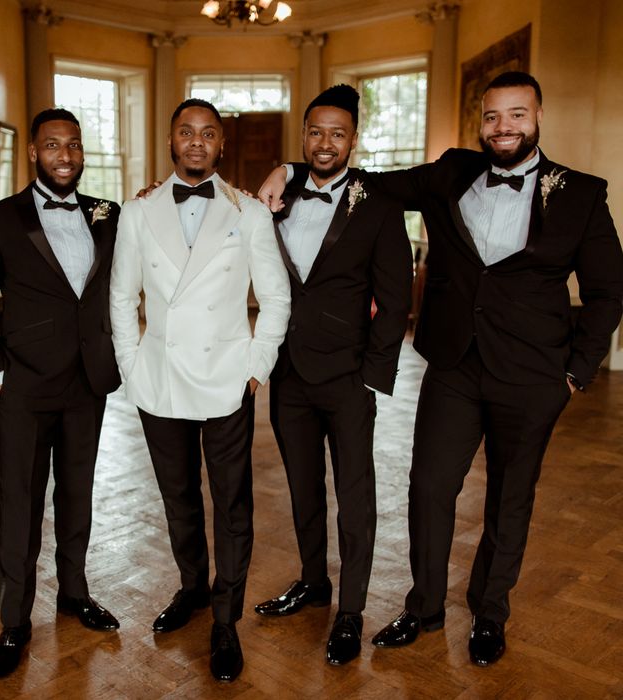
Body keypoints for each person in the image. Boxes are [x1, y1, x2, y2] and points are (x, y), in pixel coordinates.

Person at [258, 71, 623, 666]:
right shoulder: (450, 171)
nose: (503, 128)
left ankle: (489, 612)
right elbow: (360, 183)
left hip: (534, 376)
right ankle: (424, 608)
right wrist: (290, 169)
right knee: (428, 488)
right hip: (453, 366)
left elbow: (608, 291)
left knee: (510, 498)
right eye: (493, 117)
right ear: (481, 121)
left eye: (517, 115)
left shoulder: (581, 193)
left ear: (537, 118)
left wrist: (576, 372)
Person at [109, 98, 290, 682]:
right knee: (179, 497)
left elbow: (276, 296)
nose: (196, 142)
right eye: (185, 132)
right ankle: (191, 587)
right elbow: (121, 298)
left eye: (207, 133)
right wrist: (132, 365)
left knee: (232, 502)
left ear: (220, 145)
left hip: (227, 379)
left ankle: (225, 619)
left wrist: (256, 365)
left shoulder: (250, 213)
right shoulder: (137, 213)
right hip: (159, 377)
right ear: (170, 141)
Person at [0, 108, 122, 679]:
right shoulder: (1, 219)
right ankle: (14, 621)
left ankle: (74, 593)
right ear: (33, 153)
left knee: (78, 494)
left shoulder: (108, 215)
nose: (66, 156)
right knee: (21, 504)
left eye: (74, 146)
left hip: (88, 383)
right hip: (25, 384)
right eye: (53, 146)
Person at [252, 85, 413, 666]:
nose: (325, 143)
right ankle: (313, 581)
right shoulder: (279, 191)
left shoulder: (378, 203)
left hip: (348, 377)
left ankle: (350, 610)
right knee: (301, 490)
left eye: (337, 133)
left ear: (353, 139)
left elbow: (396, 299)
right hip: (288, 373)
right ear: (303, 138)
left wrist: (373, 376)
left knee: (355, 496)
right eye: (315, 132)